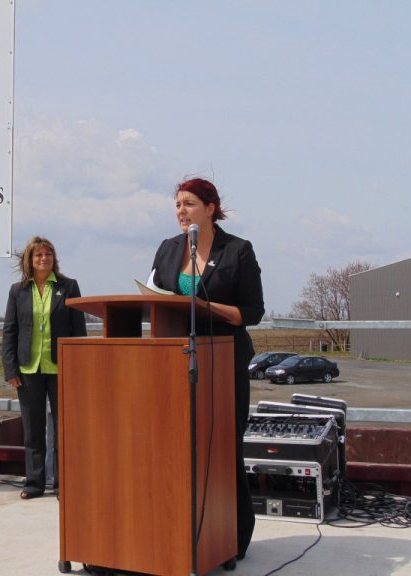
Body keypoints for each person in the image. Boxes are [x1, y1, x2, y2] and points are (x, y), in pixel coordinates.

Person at [149, 177, 265, 561]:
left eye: (190, 204)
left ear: (211, 208)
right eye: (178, 205)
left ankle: (231, 536)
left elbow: (253, 312)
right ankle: (176, 530)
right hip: (173, 362)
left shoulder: (238, 251)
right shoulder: (167, 250)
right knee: (175, 449)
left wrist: (212, 310)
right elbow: (155, 297)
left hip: (224, 361)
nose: (182, 211)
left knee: (222, 447)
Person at [2, 236, 87, 499]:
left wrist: (76, 367)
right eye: (38, 255)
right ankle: (34, 483)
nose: (44, 259)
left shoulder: (69, 286)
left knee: (63, 429)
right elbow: (10, 331)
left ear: (54, 259)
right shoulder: (18, 291)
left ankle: (64, 483)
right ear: (30, 260)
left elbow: (78, 330)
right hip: (28, 369)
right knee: (33, 429)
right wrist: (10, 369)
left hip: (60, 368)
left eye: (48, 255)